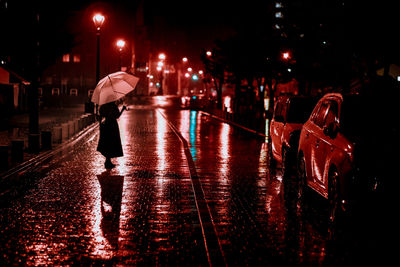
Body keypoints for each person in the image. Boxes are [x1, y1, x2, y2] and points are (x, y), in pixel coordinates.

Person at [97, 101, 127, 169]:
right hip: (113, 125)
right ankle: (108, 162)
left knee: (107, 142)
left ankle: (108, 161)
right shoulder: (113, 106)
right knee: (112, 142)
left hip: (106, 125)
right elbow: (117, 116)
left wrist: (100, 125)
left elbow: (100, 116)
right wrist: (122, 109)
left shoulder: (103, 106)